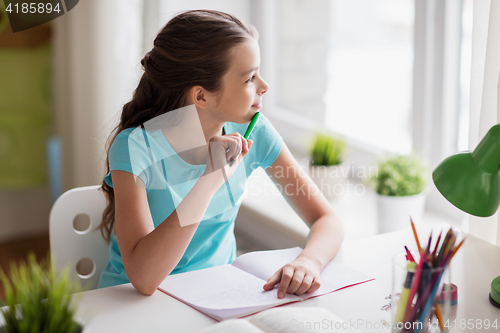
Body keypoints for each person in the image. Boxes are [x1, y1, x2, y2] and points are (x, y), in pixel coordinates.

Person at [97, 9, 344, 298]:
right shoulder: (134, 147)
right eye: (250, 78)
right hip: (131, 303)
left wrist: (309, 262)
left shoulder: (256, 131)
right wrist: (210, 179)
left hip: (213, 297)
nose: (264, 86)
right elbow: (144, 278)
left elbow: (327, 220)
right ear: (201, 96)